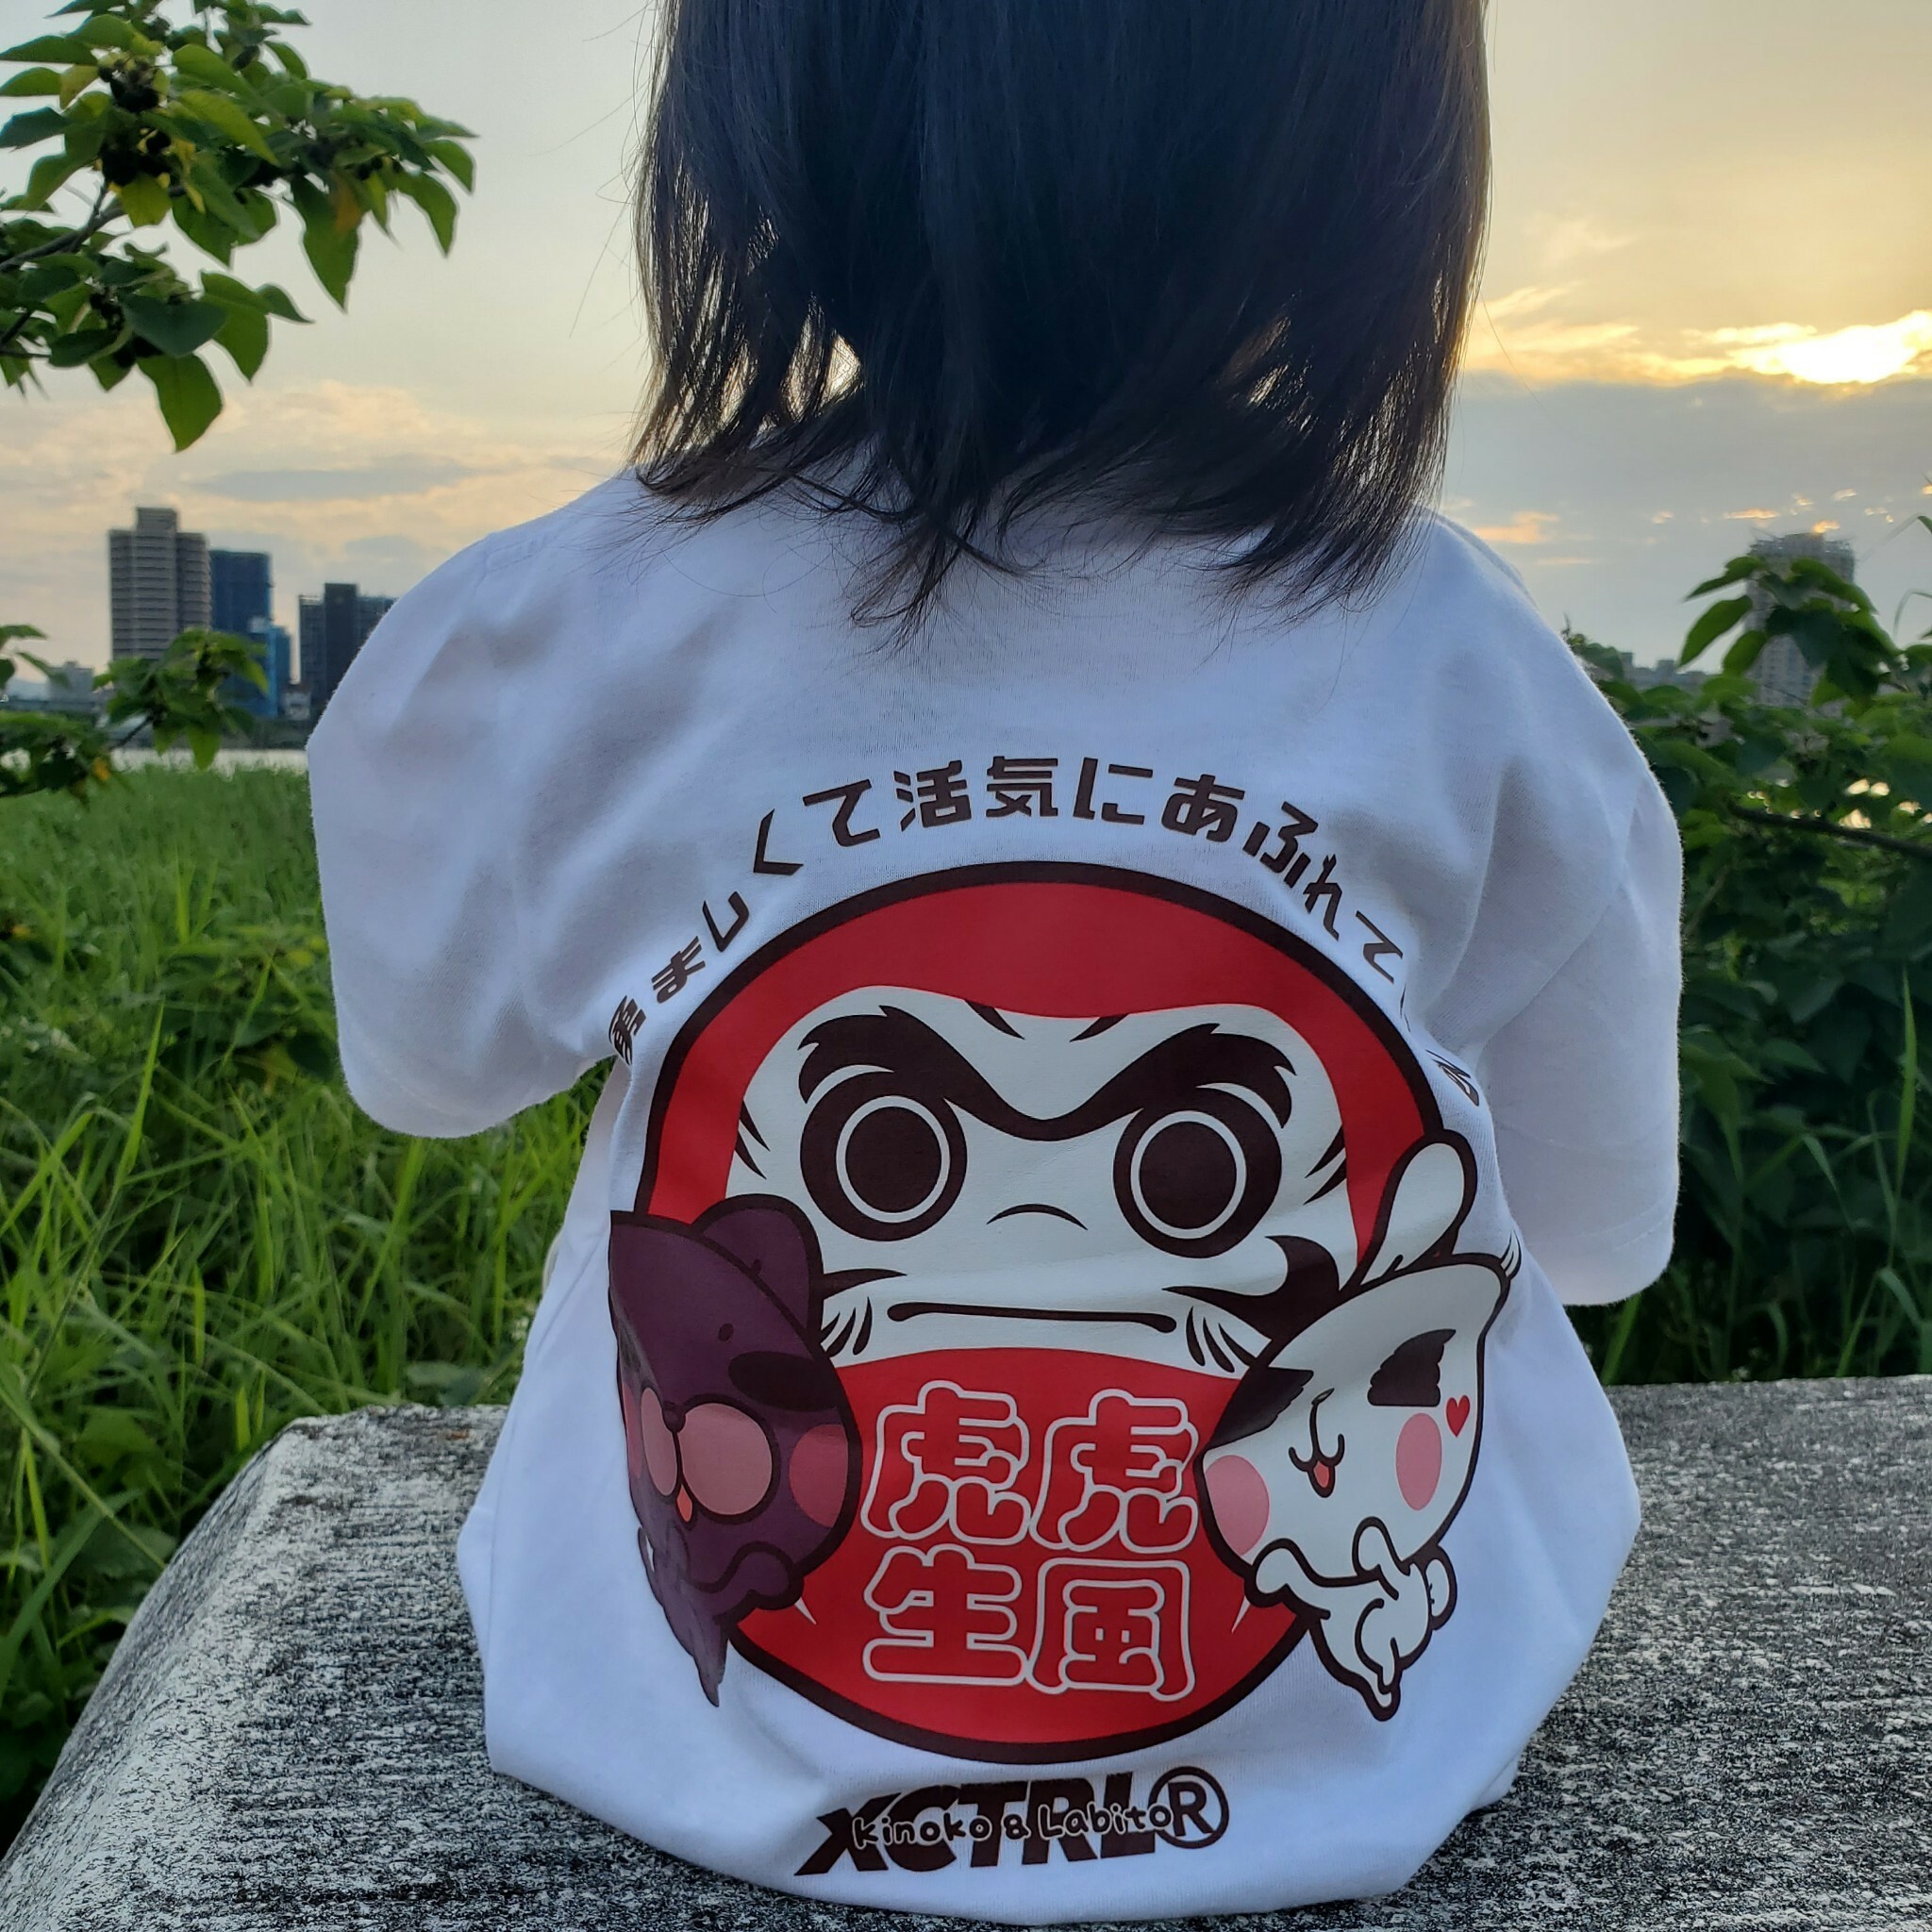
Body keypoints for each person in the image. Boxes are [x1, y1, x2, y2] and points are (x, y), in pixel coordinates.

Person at [308, 2, 1681, 1920]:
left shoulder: (565, 632)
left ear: (758, 125)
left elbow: (423, 1064)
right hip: (1381, 1722)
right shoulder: (1465, 660)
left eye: (1185, 1161)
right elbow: (1596, 1226)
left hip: (680, 1720)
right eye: (895, 1148)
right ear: (1378, 164)